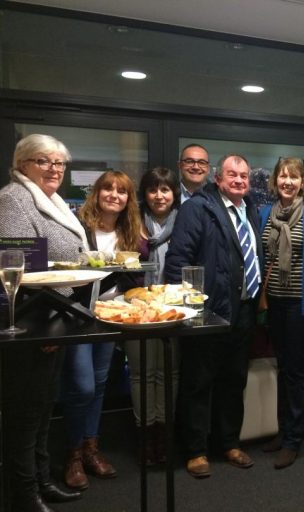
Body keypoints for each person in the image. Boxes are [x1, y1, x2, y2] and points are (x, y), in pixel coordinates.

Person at [0, 134, 85, 512]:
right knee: (24, 413)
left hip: (55, 318)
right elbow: (18, 270)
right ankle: (23, 493)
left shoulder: (50, 200)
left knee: (44, 406)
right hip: (33, 320)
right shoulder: (13, 199)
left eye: (60, 163)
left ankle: (42, 479)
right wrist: (42, 325)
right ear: (22, 164)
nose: (54, 169)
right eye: (44, 161)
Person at [165, 154, 262, 478]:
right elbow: (178, 260)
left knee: (234, 380)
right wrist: (190, 311)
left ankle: (229, 442)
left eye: (244, 175)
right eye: (232, 174)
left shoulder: (250, 209)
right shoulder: (198, 207)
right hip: (207, 312)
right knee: (198, 382)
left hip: (244, 309)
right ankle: (195, 450)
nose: (239, 180)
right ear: (218, 179)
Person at [63, 170, 147, 491]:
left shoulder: (129, 232)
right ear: (97, 193)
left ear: (128, 199)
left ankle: (90, 449)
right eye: (108, 189)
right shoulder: (79, 227)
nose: (114, 195)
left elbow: (131, 277)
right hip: (79, 316)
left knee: (99, 384)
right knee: (81, 387)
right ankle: (72, 453)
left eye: (122, 191)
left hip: (112, 317)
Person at [259, 157, 304, 469]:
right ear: (275, 181)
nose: (287, 182)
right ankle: (282, 429)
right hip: (272, 303)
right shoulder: (264, 214)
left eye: (294, 177)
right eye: (283, 176)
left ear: (303, 182)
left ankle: (293, 438)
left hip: (300, 306)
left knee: (296, 371)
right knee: (282, 367)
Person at [123, 167, 181, 466]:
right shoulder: (131, 222)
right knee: (142, 374)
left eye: (166, 190)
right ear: (144, 194)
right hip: (137, 307)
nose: (160, 196)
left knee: (168, 372)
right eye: (153, 190)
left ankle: (164, 433)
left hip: (173, 307)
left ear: (174, 193)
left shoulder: (184, 221)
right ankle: (145, 436)